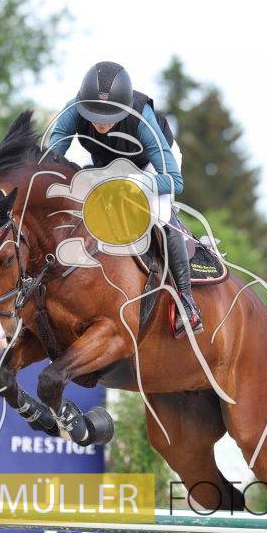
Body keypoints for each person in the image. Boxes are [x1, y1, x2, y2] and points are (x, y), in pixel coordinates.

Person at [45, 61, 201, 335]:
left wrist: (134, 183)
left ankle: (187, 302)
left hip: (150, 167)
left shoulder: (142, 120)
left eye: (108, 116)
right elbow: (49, 160)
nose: (100, 122)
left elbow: (174, 182)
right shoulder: (74, 110)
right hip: (107, 166)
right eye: (94, 114)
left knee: (161, 216)